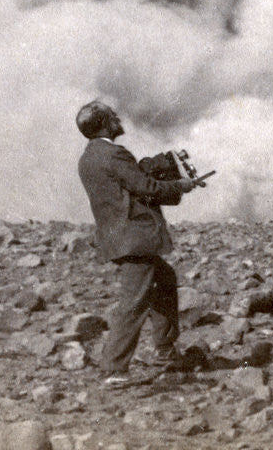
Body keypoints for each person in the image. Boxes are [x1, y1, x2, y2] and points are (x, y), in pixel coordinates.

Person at [76, 99, 198, 387]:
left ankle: (166, 353)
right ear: (104, 123)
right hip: (135, 238)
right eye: (112, 116)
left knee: (164, 280)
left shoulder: (88, 157)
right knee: (133, 302)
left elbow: (129, 187)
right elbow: (146, 187)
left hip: (118, 237)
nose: (118, 119)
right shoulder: (114, 154)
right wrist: (180, 186)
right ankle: (114, 369)